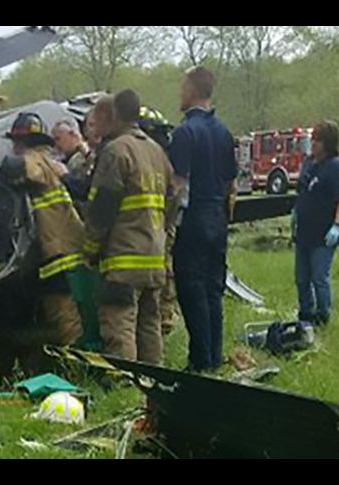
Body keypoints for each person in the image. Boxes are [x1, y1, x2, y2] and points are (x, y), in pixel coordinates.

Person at [84, 90, 177, 365]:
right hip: (154, 258)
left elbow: (102, 208)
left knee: (119, 323)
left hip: (124, 259)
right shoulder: (156, 151)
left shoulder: (116, 151)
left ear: (113, 116)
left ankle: (124, 387)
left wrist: (90, 250)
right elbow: (172, 201)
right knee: (149, 325)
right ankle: (153, 383)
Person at [168, 67, 238, 373]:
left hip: (193, 216)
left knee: (191, 286)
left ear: (194, 90)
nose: (180, 93)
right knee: (213, 288)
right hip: (217, 217)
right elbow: (231, 186)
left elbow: (179, 186)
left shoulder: (184, 133)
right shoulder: (223, 133)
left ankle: (199, 360)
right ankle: (214, 355)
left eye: (183, 87)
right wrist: (224, 219)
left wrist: (169, 222)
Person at [0, 112, 86, 345]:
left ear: (24, 142)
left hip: (60, 253)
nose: (13, 148)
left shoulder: (37, 159)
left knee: (64, 314)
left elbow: (15, 167)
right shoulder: (51, 161)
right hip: (62, 248)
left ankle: (78, 366)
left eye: (15, 142)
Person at [293, 121, 339, 326]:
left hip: (323, 234)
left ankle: (322, 316)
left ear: (327, 143)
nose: (313, 143)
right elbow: (302, 192)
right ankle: (305, 314)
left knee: (319, 277)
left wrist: (337, 225)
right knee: (301, 278)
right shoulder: (309, 163)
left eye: (317, 140)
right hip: (304, 232)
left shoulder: (336, 168)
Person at [137, 106, 179, 336]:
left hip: (148, 236)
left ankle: (165, 318)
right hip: (160, 231)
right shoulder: (163, 161)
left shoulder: (144, 158)